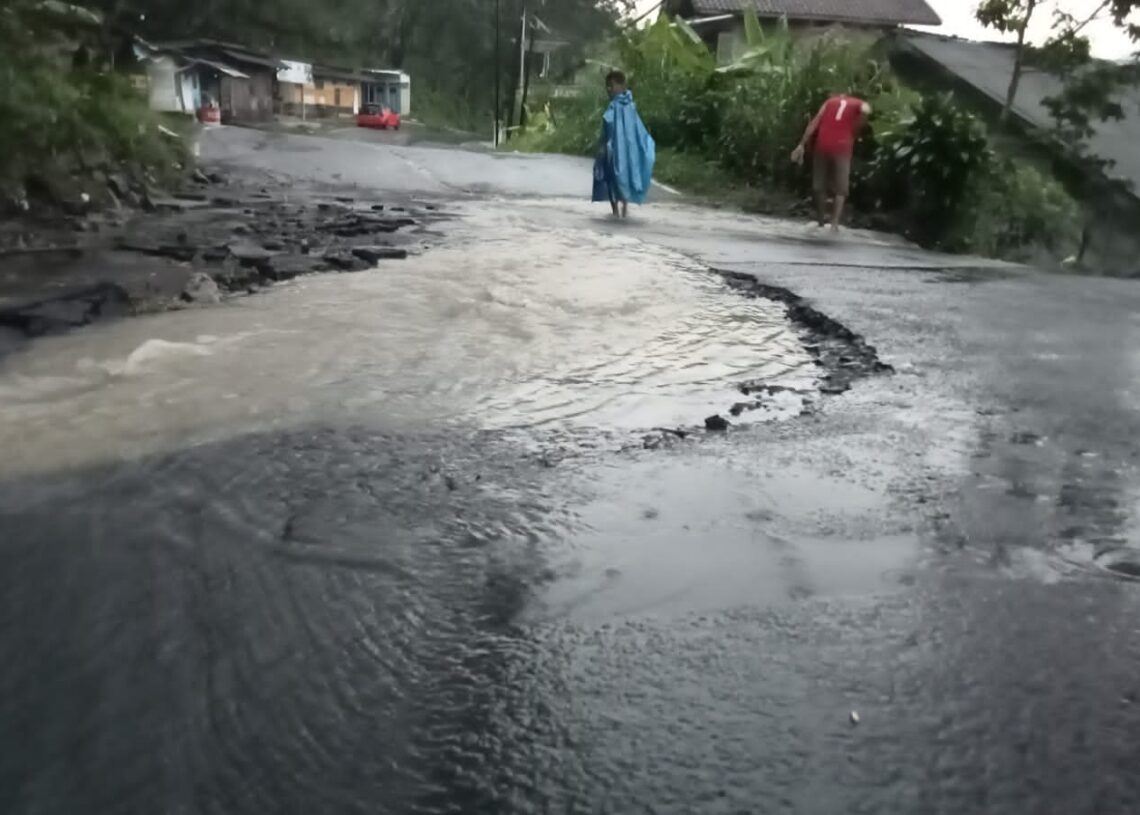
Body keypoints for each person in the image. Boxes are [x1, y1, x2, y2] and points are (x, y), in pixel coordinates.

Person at [791, 93, 872, 232]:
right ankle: (834, 225)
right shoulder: (858, 103)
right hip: (842, 145)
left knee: (819, 184)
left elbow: (814, 122)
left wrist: (801, 144)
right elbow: (866, 109)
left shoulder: (829, 102)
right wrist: (857, 127)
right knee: (841, 188)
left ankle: (821, 221)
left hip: (822, 144)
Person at [592, 70, 656, 219]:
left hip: (624, 150)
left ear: (621, 86)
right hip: (613, 149)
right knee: (612, 177)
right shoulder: (621, 106)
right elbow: (608, 128)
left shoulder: (625, 106)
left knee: (618, 177)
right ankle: (618, 211)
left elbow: (635, 129)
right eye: (607, 86)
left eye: (612, 85)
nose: (609, 89)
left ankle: (621, 211)